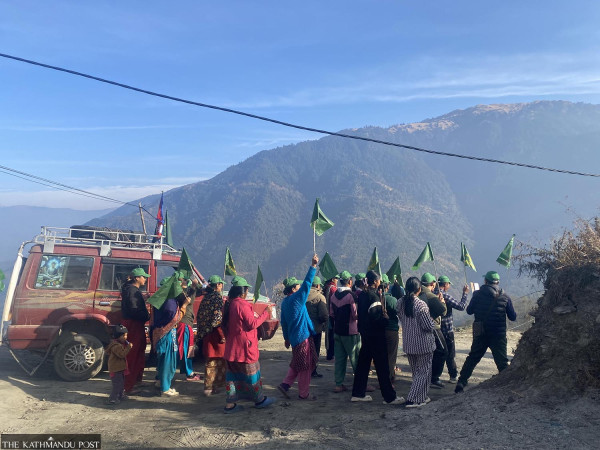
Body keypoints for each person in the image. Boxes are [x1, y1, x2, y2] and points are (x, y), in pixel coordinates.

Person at [455, 271, 517, 393]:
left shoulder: (477, 295)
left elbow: (469, 311)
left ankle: (462, 381)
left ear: (485, 281)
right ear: (497, 282)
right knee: (502, 361)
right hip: (498, 334)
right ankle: (507, 386)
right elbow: (513, 317)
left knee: (473, 357)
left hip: (481, 332)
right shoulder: (505, 297)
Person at [222, 276, 274, 413]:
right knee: (252, 374)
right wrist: (265, 314)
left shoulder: (229, 304)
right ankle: (259, 400)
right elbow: (252, 324)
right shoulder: (242, 305)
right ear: (243, 292)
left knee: (232, 376)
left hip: (232, 347)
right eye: (246, 290)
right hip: (244, 348)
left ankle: (230, 404)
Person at [351, 270, 404, 405]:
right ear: (375, 281)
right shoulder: (373, 297)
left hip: (365, 334)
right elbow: (376, 318)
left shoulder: (363, 295)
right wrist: (385, 319)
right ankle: (389, 397)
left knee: (363, 365)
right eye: (379, 279)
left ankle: (358, 393)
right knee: (382, 367)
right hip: (376, 336)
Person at [278, 254, 320, 400]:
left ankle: (285, 385)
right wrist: (313, 266)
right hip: (303, 337)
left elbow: (284, 323)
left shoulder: (285, 303)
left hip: (294, 338)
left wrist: (286, 338)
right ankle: (304, 393)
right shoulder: (297, 298)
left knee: (297, 363)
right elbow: (308, 283)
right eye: (297, 285)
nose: (299, 286)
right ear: (294, 289)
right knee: (305, 366)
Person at [397, 277, 436, 408]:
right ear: (419, 289)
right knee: (424, 372)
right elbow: (427, 326)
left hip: (409, 343)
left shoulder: (400, 303)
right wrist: (432, 321)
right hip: (423, 344)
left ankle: (422, 397)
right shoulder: (420, 305)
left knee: (416, 372)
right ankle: (413, 399)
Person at [152, 274, 191, 396]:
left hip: (159, 332)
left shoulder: (160, 298)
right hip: (167, 333)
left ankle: (160, 381)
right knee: (168, 361)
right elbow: (174, 317)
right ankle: (165, 388)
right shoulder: (170, 301)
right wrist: (184, 306)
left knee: (162, 359)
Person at [330, 271, 362, 393]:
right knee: (356, 359)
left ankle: (338, 384)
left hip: (338, 331)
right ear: (350, 281)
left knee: (339, 360)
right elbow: (355, 315)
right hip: (351, 332)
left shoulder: (333, 296)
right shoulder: (351, 296)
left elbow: (331, 313)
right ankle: (360, 384)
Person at [121, 267, 151, 393]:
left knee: (139, 351)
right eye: (143, 277)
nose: (145, 279)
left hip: (136, 324)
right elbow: (134, 310)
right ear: (137, 278)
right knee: (132, 353)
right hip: (133, 324)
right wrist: (147, 316)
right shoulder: (132, 291)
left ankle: (137, 380)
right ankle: (128, 386)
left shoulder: (131, 290)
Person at [196, 275, 227, 396]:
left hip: (206, 333)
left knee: (210, 361)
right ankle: (212, 387)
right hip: (215, 334)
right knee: (217, 361)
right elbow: (218, 319)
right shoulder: (217, 297)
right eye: (221, 284)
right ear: (218, 285)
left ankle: (211, 387)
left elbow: (200, 316)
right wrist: (222, 335)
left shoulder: (206, 297)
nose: (222, 286)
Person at [438, 275, 469, 383]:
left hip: (436, 329)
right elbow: (461, 306)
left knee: (438, 353)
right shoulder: (445, 295)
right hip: (446, 329)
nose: (449, 286)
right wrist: (465, 293)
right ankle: (453, 375)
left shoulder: (432, 293)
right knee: (450, 354)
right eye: (449, 284)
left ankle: (435, 376)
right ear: (445, 284)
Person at [419, 272, 447, 389]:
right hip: (434, 327)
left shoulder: (418, 294)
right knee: (442, 351)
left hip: (420, 327)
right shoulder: (431, 296)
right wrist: (442, 302)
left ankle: (426, 377)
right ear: (432, 284)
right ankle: (434, 378)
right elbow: (443, 311)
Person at [176, 276, 202, 382]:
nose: (185, 281)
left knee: (186, 348)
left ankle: (187, 370)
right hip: (184, 323)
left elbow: (199, 291)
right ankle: (189, 373)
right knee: (186, 349)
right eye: (182, 279)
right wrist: (194, 286)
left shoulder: (184, 291)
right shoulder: (179, 293)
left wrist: (195, 286)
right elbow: (189, 300)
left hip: (187, 323)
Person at [305, 275, 328, 378]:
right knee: (315, 350)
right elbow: (323, 315)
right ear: (318, 286)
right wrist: (323, 323)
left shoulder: (302, 295)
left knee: (305, 350)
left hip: (304, 328)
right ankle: (313, 371)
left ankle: (304, 370)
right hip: (316, 329)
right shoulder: (320, 297)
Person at [106, 324, 133, 405]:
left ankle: (120, 395)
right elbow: (122, 354)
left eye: (126, 335)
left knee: (121, 383)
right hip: (115, 369)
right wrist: (128, 347)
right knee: (117, 385)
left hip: (119, 368)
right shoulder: (116, 346)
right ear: (118, 336)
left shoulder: (119, 344)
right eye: (123, 335)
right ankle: (112, 399)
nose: (125, 337)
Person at [382, 275, 400, 384]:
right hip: (391, 329)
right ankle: (388, 379)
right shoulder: (392, 300)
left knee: (382, 355)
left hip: (378, 330)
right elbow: (399, 313)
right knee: (391, 356)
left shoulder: (376, 297)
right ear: (387, 286)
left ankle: (386, 377)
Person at [323, 274, 339, 361]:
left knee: (329, 335)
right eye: (336, 278)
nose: (337, 280)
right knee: (332, 335)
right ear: (333, 279)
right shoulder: (333, 289)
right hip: (331, 315)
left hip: (327, 314)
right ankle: (331, 354)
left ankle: (329, 353)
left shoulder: (326, 287)